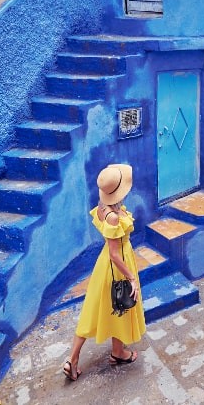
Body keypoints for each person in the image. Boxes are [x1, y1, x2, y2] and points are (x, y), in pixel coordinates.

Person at [63, 163, 146, 381]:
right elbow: (115, 254)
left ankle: (75, 359)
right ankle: (117, 353)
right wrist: (131, 278)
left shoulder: (103, 206)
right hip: (116, 267)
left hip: (104, 266)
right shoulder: (113, 217)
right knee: (122, 303)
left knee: (94, 310)